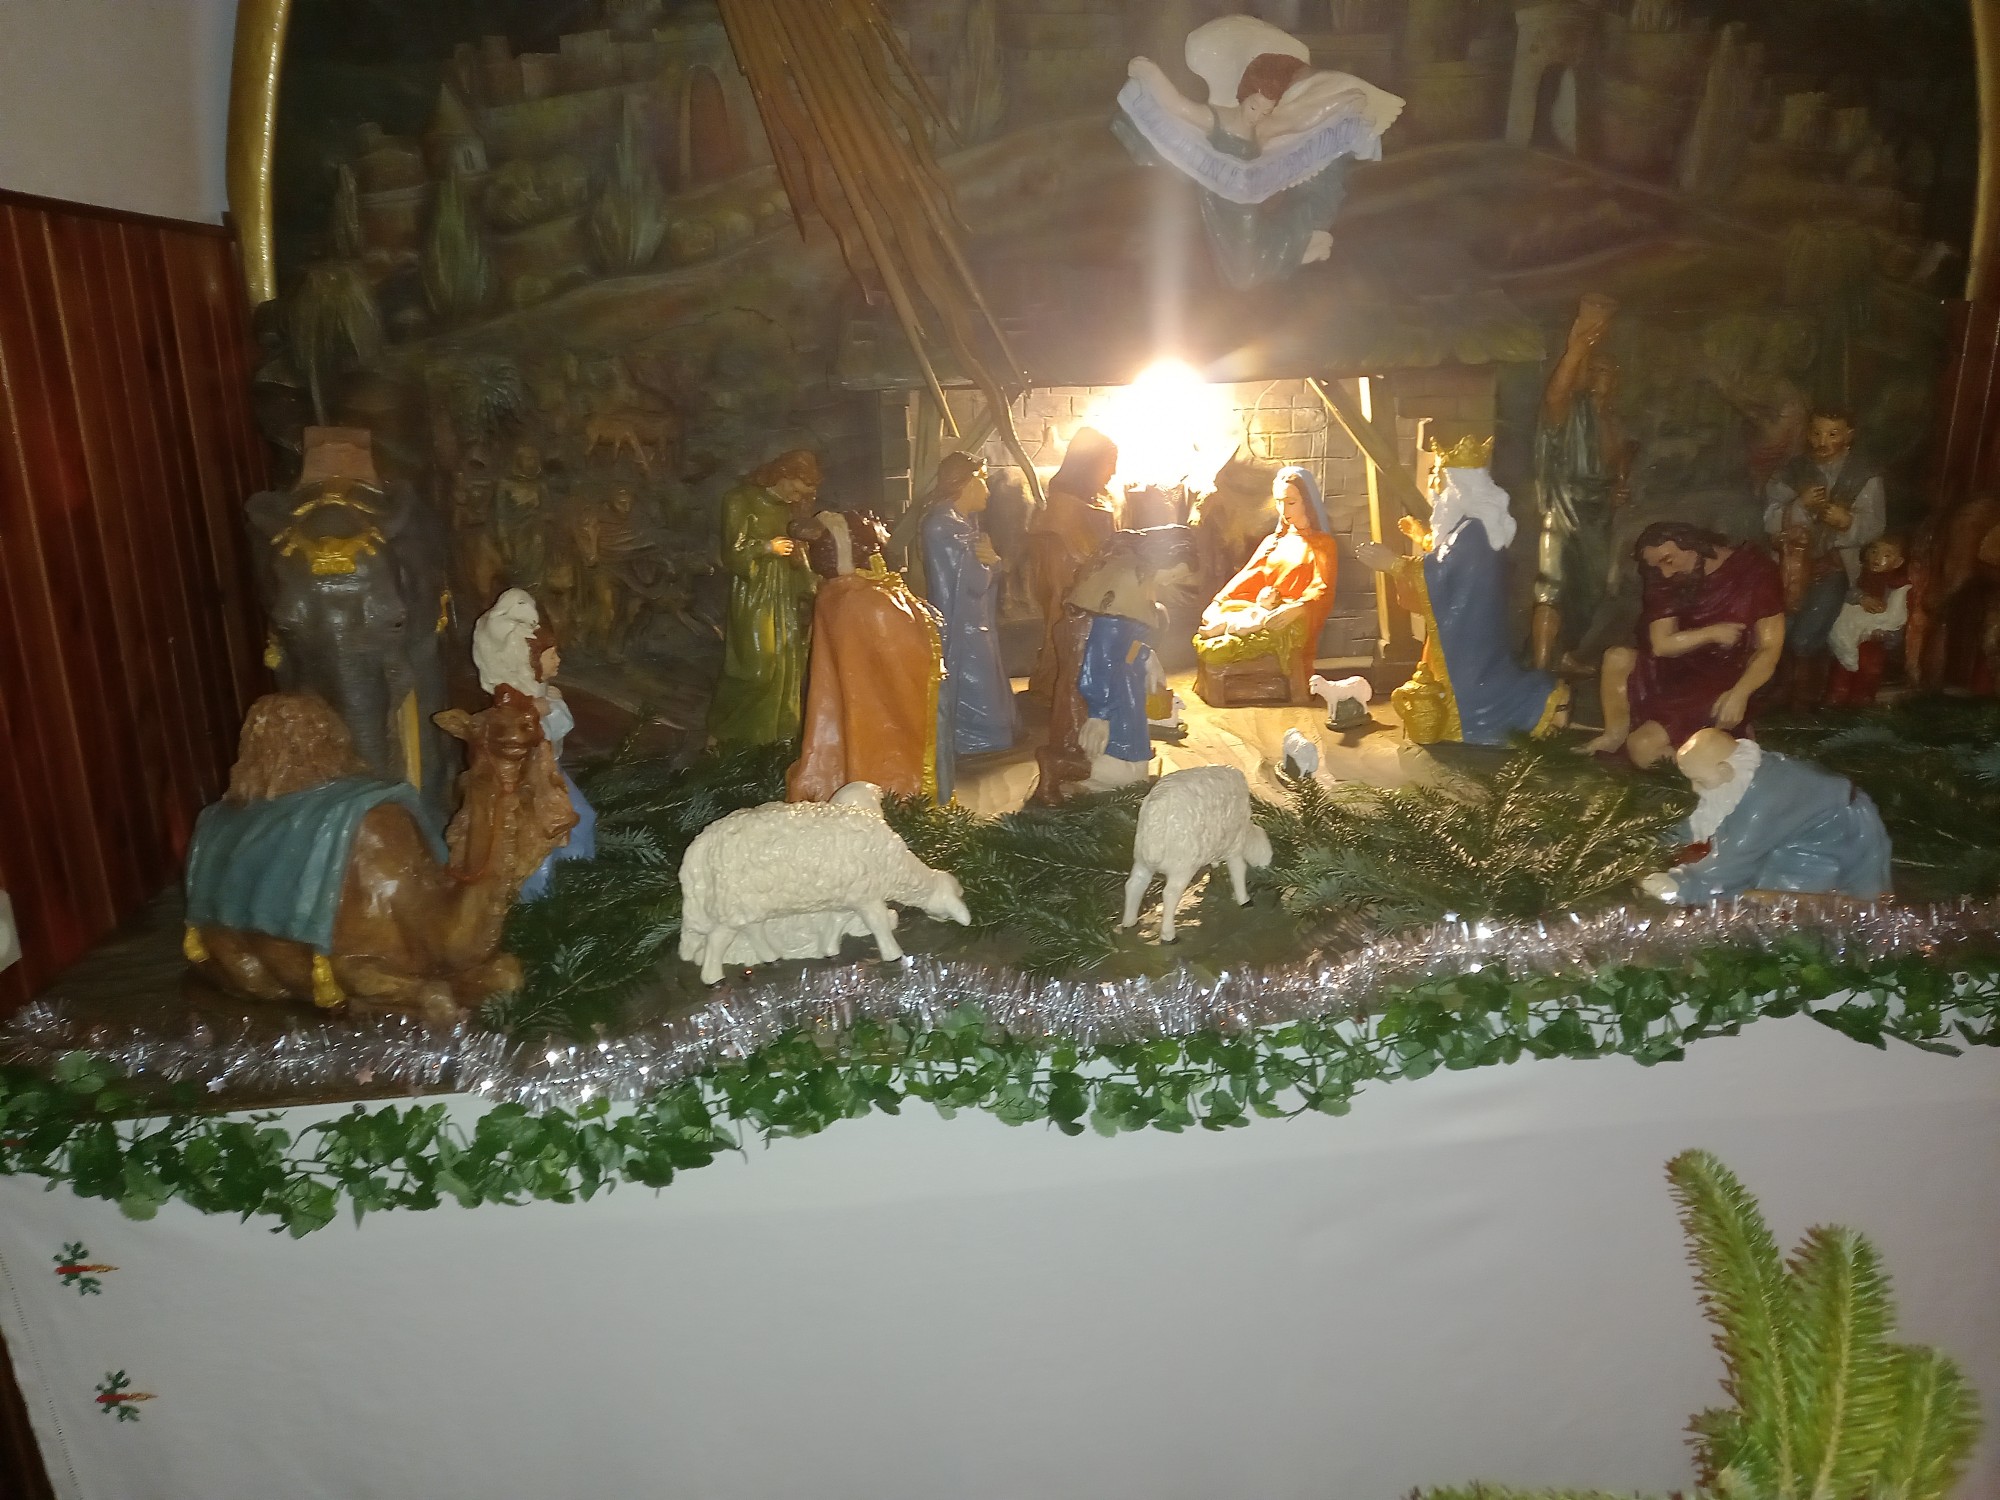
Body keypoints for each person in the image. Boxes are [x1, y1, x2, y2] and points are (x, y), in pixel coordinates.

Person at [1115, 14, 1403, 288]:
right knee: (1239, 270)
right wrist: (1150, 73)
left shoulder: (1261, 127)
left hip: (1243, 196)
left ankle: (1296, 244)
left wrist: (1343, 103)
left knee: (1243, 270)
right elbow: (1180, 107)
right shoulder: (1220, 117)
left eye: (1266, 111)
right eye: (1254, 107)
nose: (1258, 116)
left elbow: (1300, 121)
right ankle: (1297, 247)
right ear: (1244, 96)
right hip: (1220, 193)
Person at [1356, 436, 1567, 746]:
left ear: (1458, 486)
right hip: (1467, 627)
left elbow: (1442, 572)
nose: (1434, 484)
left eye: (1438, 476)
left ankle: (1524, 707)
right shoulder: (1471, 525)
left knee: (1472, 687)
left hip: (1467, 637)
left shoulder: (1473, 532)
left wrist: (1394, 564)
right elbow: (1447, 556)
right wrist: (1423, 536)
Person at [1582, 522, 1786, 769]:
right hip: (1677, 664)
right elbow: (1661, 644)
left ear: (1694, 545)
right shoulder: (1663, 574)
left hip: (1723, 675)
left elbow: (1769, 648)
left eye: (1668, 560)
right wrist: (1711, 633)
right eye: (1657, 565)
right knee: (1617, 657)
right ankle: (1614, 737)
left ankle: (1717, 767)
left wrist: (1740, 693)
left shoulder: (1754, 571)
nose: (1665, 573)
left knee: (1643, 747)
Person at [787, 511, 951, 805]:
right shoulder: (868, 599)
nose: (881, 525)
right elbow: (909, 650)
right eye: (873, 524)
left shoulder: (838, 592)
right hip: (899, 713)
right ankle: (908, 800)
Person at [1641, 728, 1891, 904]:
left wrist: (1680, 885)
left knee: (1779, 910)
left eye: (1699, 780)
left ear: (1725, 770)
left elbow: (1734, 862)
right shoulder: (1739, 778)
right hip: (1803, 829)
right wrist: (1652, 839)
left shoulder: (1763, 801)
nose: (1695, 789)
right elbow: (1703, 818)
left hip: (1827, 842)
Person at [471, 589, 594, 901]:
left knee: (579, 820)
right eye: (551, 655)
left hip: (549, 772)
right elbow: (543, 735)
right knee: (540, 837)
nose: (558, 660)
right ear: (528, 662)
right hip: (529, 783)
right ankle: (536, 898)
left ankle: (577, 879)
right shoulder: (518, 709)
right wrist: (545, 710)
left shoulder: (537, 697)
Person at [1531, 295, 1632, 670]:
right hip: (1564, 505)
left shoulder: (1614, 423)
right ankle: (1540, 668)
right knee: (1552, 584)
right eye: (1596, 369)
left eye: (1608, 371)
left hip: (1598, 515)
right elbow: (1556, 392)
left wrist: (1618, 488)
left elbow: (1617, 466)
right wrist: (1580, 345)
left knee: (1592, 590)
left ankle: (1568, 655)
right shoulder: (1571, 413)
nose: (1601, 376)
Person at [1764, 408, 1885, 704]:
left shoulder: (1863, 477)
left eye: (1832, 434)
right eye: (1817, 433)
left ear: (1848, 436)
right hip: (1791, 567)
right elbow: (1769, 517)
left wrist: (1848, 522)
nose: (1823, 441)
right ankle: (1781, 690)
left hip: (1834, 568)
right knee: (1782, 630)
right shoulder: (1792, 471)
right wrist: (1799, 506)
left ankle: (1806, 695)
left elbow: (1874, 525)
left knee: (1806, 636)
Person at [1193, 465, 1339, 704]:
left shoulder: (1322, 544)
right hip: (1263, 604)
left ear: (1307, 502)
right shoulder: (1273, 542)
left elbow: (1322, 587)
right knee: (1223, 613)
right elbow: (1250, 575)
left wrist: (1299, 608)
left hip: (1289, 612)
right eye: (1279, 502)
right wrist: (1219, 601)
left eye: (1291, 502)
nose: (1284, 509)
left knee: (1257, 622)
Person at [706, 449, 821, 750]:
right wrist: (767, 547)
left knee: (788, 666)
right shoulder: (739, 500)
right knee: (756, 668)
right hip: (754, 593)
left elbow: (799, 553)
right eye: (795, 489)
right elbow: (732, 554)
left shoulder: (789, 509)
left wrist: (810, 582)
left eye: (802, 494)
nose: (796, 498)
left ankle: (776, 740)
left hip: (785, 592)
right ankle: (724, 735)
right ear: (782, 474)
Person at [919, 453, 1018, 756]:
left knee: (989, 680)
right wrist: (991, 563)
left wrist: (992, 562)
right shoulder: (943, 527)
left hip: (977, 622)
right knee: (977, 683)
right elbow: (974, 582)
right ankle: (973, 737)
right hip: (962, 625)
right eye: (983, 483)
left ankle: (988, 735)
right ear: (966, 483)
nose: (987, 491)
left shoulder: (964, 524)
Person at [1026, 428, 1120, 700]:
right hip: (1074, 598)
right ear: (1088, 465)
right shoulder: (1064, 509)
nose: (1113, 472)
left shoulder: (1095, 501)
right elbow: (1072, 562)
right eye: (1109, 464)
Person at [1825, 537, 1910, 706]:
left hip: (1875, 638)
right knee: (1843, 663)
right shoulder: (1859, 575)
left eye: (1887, 555)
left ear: (1898, 562)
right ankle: (1837, 695)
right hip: (1851, 631)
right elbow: (1847, 593)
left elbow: (1898, 617)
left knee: (1870, 668)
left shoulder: (1898, 587)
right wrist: (1861, 597)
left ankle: (1862, 698)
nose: (1877, 558)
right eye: (1874, 551)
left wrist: (1887, 635)